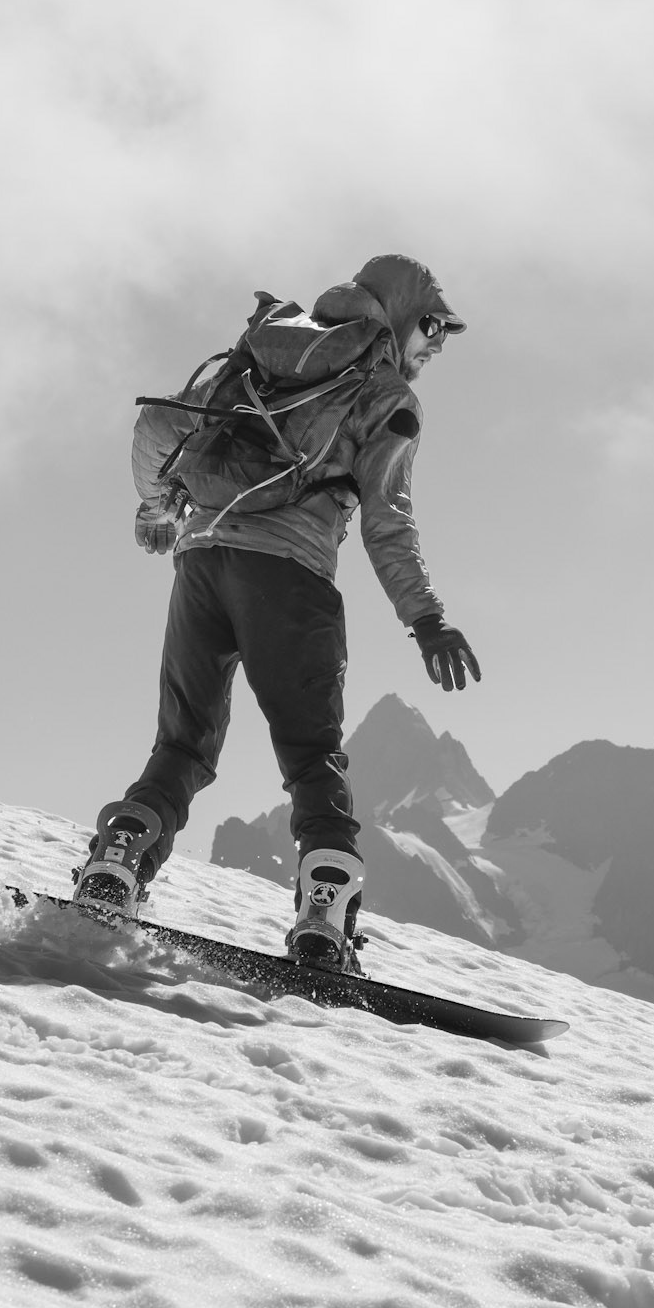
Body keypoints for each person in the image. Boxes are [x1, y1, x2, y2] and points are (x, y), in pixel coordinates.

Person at [73, 253, 481, 970]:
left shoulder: (266, 350)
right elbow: (388, 521)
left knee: (180, 746)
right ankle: (323, 924)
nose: (437, 347)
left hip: (199, 563)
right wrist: (427, 619)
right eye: (433, 329)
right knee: (310, 759)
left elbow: (156, 429)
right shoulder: (382, 393)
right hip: (289, 580)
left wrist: (157, 505)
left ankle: (119, 861)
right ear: (403, 314)